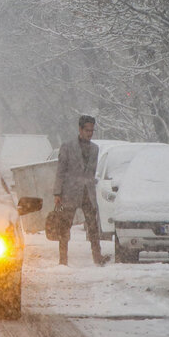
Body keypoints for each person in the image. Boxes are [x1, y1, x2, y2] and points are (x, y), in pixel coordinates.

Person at [53, 114, 105, 266]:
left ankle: (97, 257)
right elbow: (60, 170)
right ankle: (63, 259)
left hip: (87, 192)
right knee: (65, 226)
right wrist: (57, 192)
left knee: (93, 226)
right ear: (80, 129)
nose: (89, 133)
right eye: (87, 130)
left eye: (92, 131)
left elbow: (92, 171)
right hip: (70, 192)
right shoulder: (68, 147)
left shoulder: (95, 149)